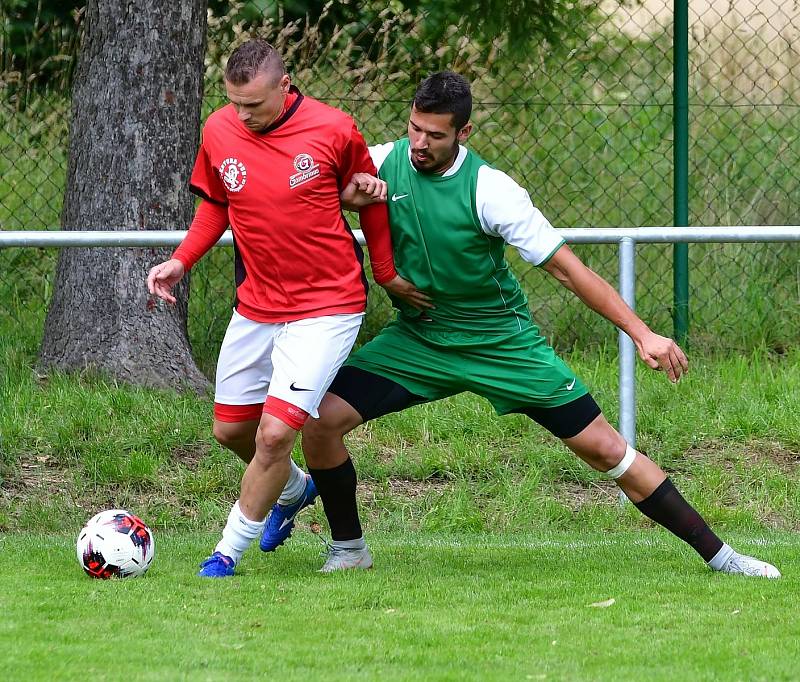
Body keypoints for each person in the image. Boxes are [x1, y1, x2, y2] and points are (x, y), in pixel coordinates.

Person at [266, 71, 781, 578]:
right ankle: (349, 547)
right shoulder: (381, 163)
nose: (420, 143)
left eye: (435, 135)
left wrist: (642, 332)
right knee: (320, 421)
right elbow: (300, 193)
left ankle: (723, 557)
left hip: (500, 342)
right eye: (414, 128)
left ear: (464, 133)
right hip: (420, 338)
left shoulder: (492, 191)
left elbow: (567, 270)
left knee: (606, 450)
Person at [146, 39, 419, 578]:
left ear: (285, 85)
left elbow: (371, 199)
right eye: (234, 102)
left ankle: (225, 554)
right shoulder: (219, 130)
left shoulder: (335, 129)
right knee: (231, 431)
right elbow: (217, 206)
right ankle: (294, 491)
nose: (242, 115)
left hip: (328, 304)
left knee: (275, 434)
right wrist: (182, 260)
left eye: (254, 104)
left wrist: (385, 273)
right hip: (258, 305)